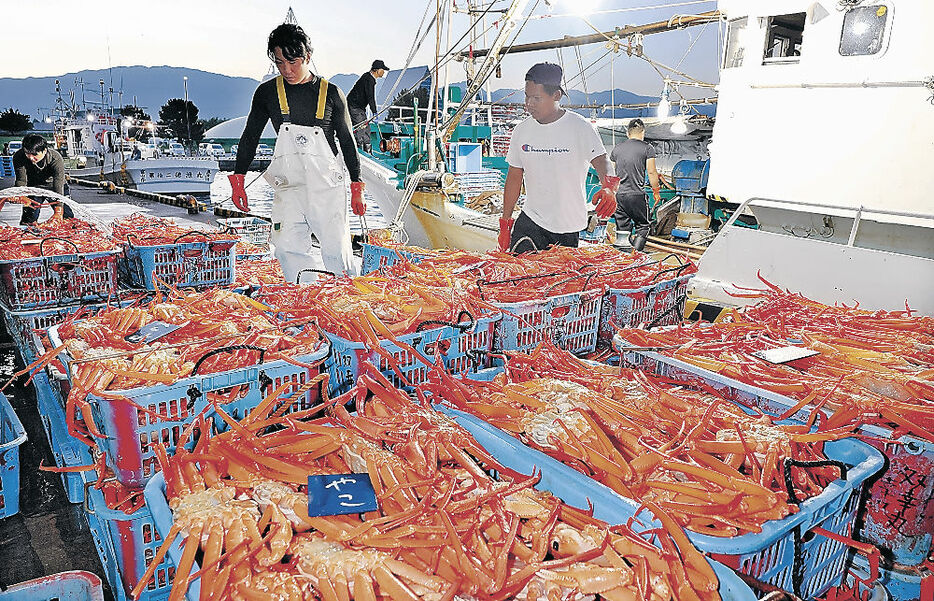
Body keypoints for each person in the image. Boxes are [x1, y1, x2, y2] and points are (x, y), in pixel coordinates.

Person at [228, 23, 366, 280]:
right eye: (280, 63)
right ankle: (303, 298)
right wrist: (238, 180)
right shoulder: (267, 93)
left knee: (337, 250)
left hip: (326, 187)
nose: (287, 70)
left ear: (308, 57)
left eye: (293, 62)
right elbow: (250, 136)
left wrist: (357, 185)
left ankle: (346, 295)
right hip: (289, 186)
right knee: (287, 247)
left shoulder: (332, 93)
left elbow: (348, 141)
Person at [499, 62, 619, 253]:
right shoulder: (521, 131)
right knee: (519, 277)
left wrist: (609, 187)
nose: (529, 104)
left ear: (556, 96)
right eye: (527, 97)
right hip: (531, 220)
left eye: (536, 98)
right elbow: (514, 177)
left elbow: (602, 161)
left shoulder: (580, 127)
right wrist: (505, 223)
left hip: (567, 228)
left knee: (558, 280)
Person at [609, 118, 661, 251]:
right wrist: (656, 191)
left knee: (622, 228)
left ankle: (622, 259)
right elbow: (651, 171)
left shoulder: (617, 149)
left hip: (619, 196)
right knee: (643, 226)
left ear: (628, 133)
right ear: (642, 132)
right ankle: (635, 257)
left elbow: (611, 174)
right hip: (637, 194)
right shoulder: (647, 148)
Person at [11, 133, 74, 225]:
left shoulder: (55, 158)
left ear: (44, 151)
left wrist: (59, 210)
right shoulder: (19, 156)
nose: (31, 158)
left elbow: (58, 182)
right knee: (29, 218)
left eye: (34, 154)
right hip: (34, 187)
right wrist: (19, 194)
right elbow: (21, 180)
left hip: (54, 185)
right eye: (27, 154)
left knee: (67, 217)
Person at [346, 59, 389, 153]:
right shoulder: (368, 79)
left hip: (359, 107)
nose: (383, 72)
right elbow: (370, 97)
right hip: (354, 106)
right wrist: (374, 112)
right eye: (383, 70)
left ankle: (368, 152)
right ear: (377, 70)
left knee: (366, 129)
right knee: (360, 129)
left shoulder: (369, 78)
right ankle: (359, 152)